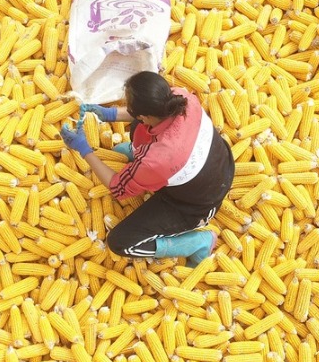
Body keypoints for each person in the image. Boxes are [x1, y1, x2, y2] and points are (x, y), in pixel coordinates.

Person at [60, 71, 235, 266]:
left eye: (135, 112)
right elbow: (148, 114)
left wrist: (83, 148)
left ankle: (196, 243)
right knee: (138, 128)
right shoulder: (181, 97)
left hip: (197, 204)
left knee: (120, 243)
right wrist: (108, 114)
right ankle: (139, 154)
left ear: (145, 115)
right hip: (220, 162)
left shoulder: (157, 161)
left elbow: (117, 188)